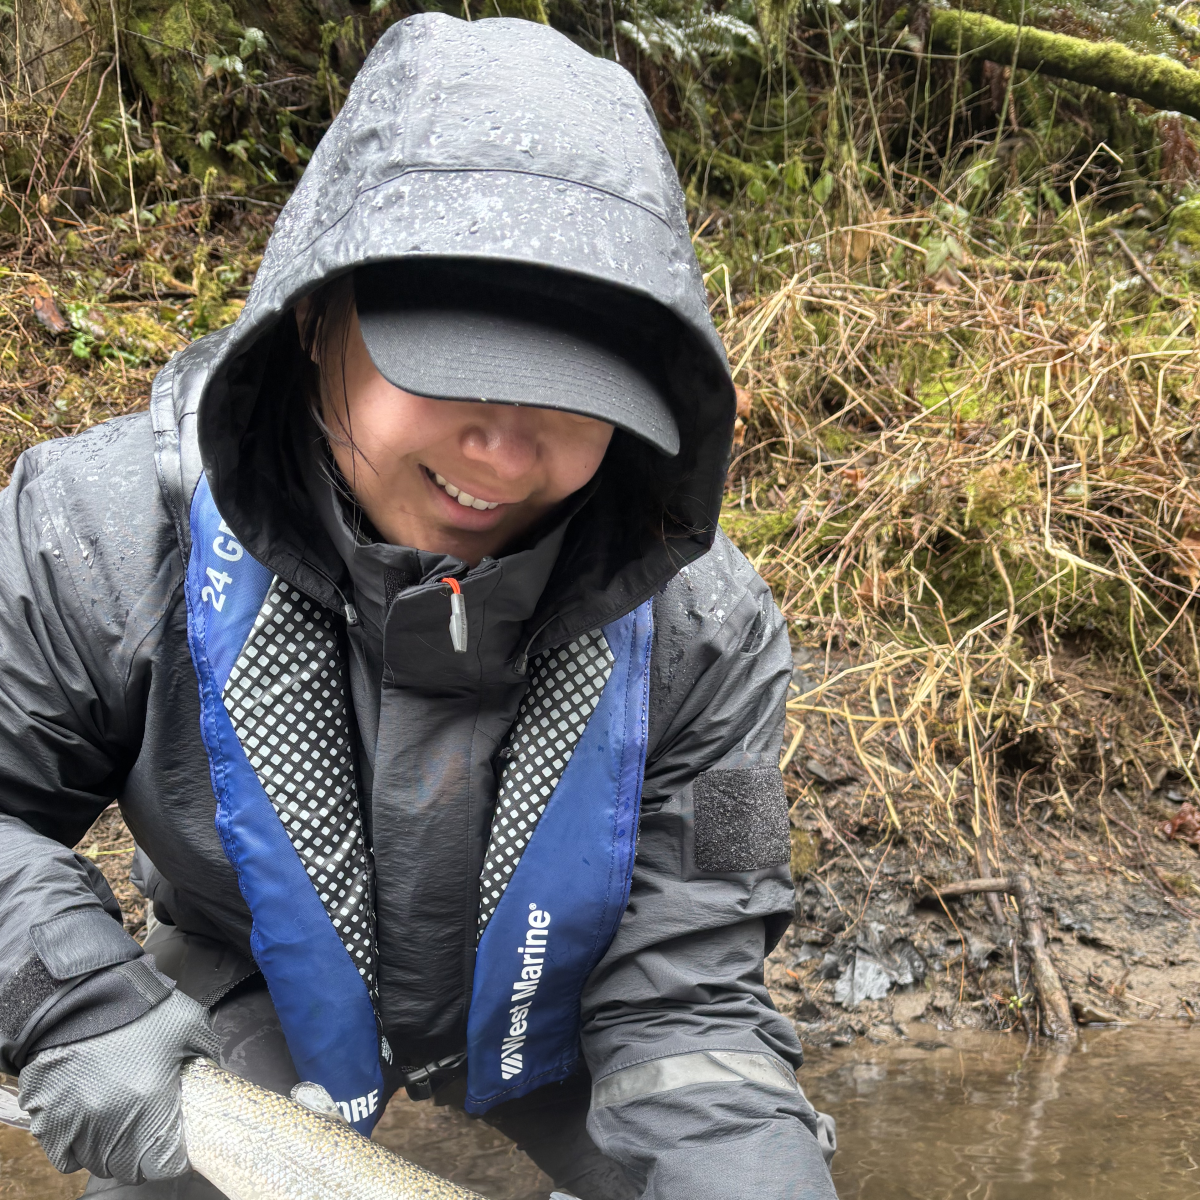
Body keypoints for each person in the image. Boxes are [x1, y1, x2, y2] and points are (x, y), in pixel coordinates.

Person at [0, 13, 837, 1200]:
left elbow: (686, 997)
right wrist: (63, 999)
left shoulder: (706, 631)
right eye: (449, 368)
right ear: (313, 316)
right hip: (251, 979)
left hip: (569, 1007)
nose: (502, 451)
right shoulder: (91, 536)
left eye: (574, 399)